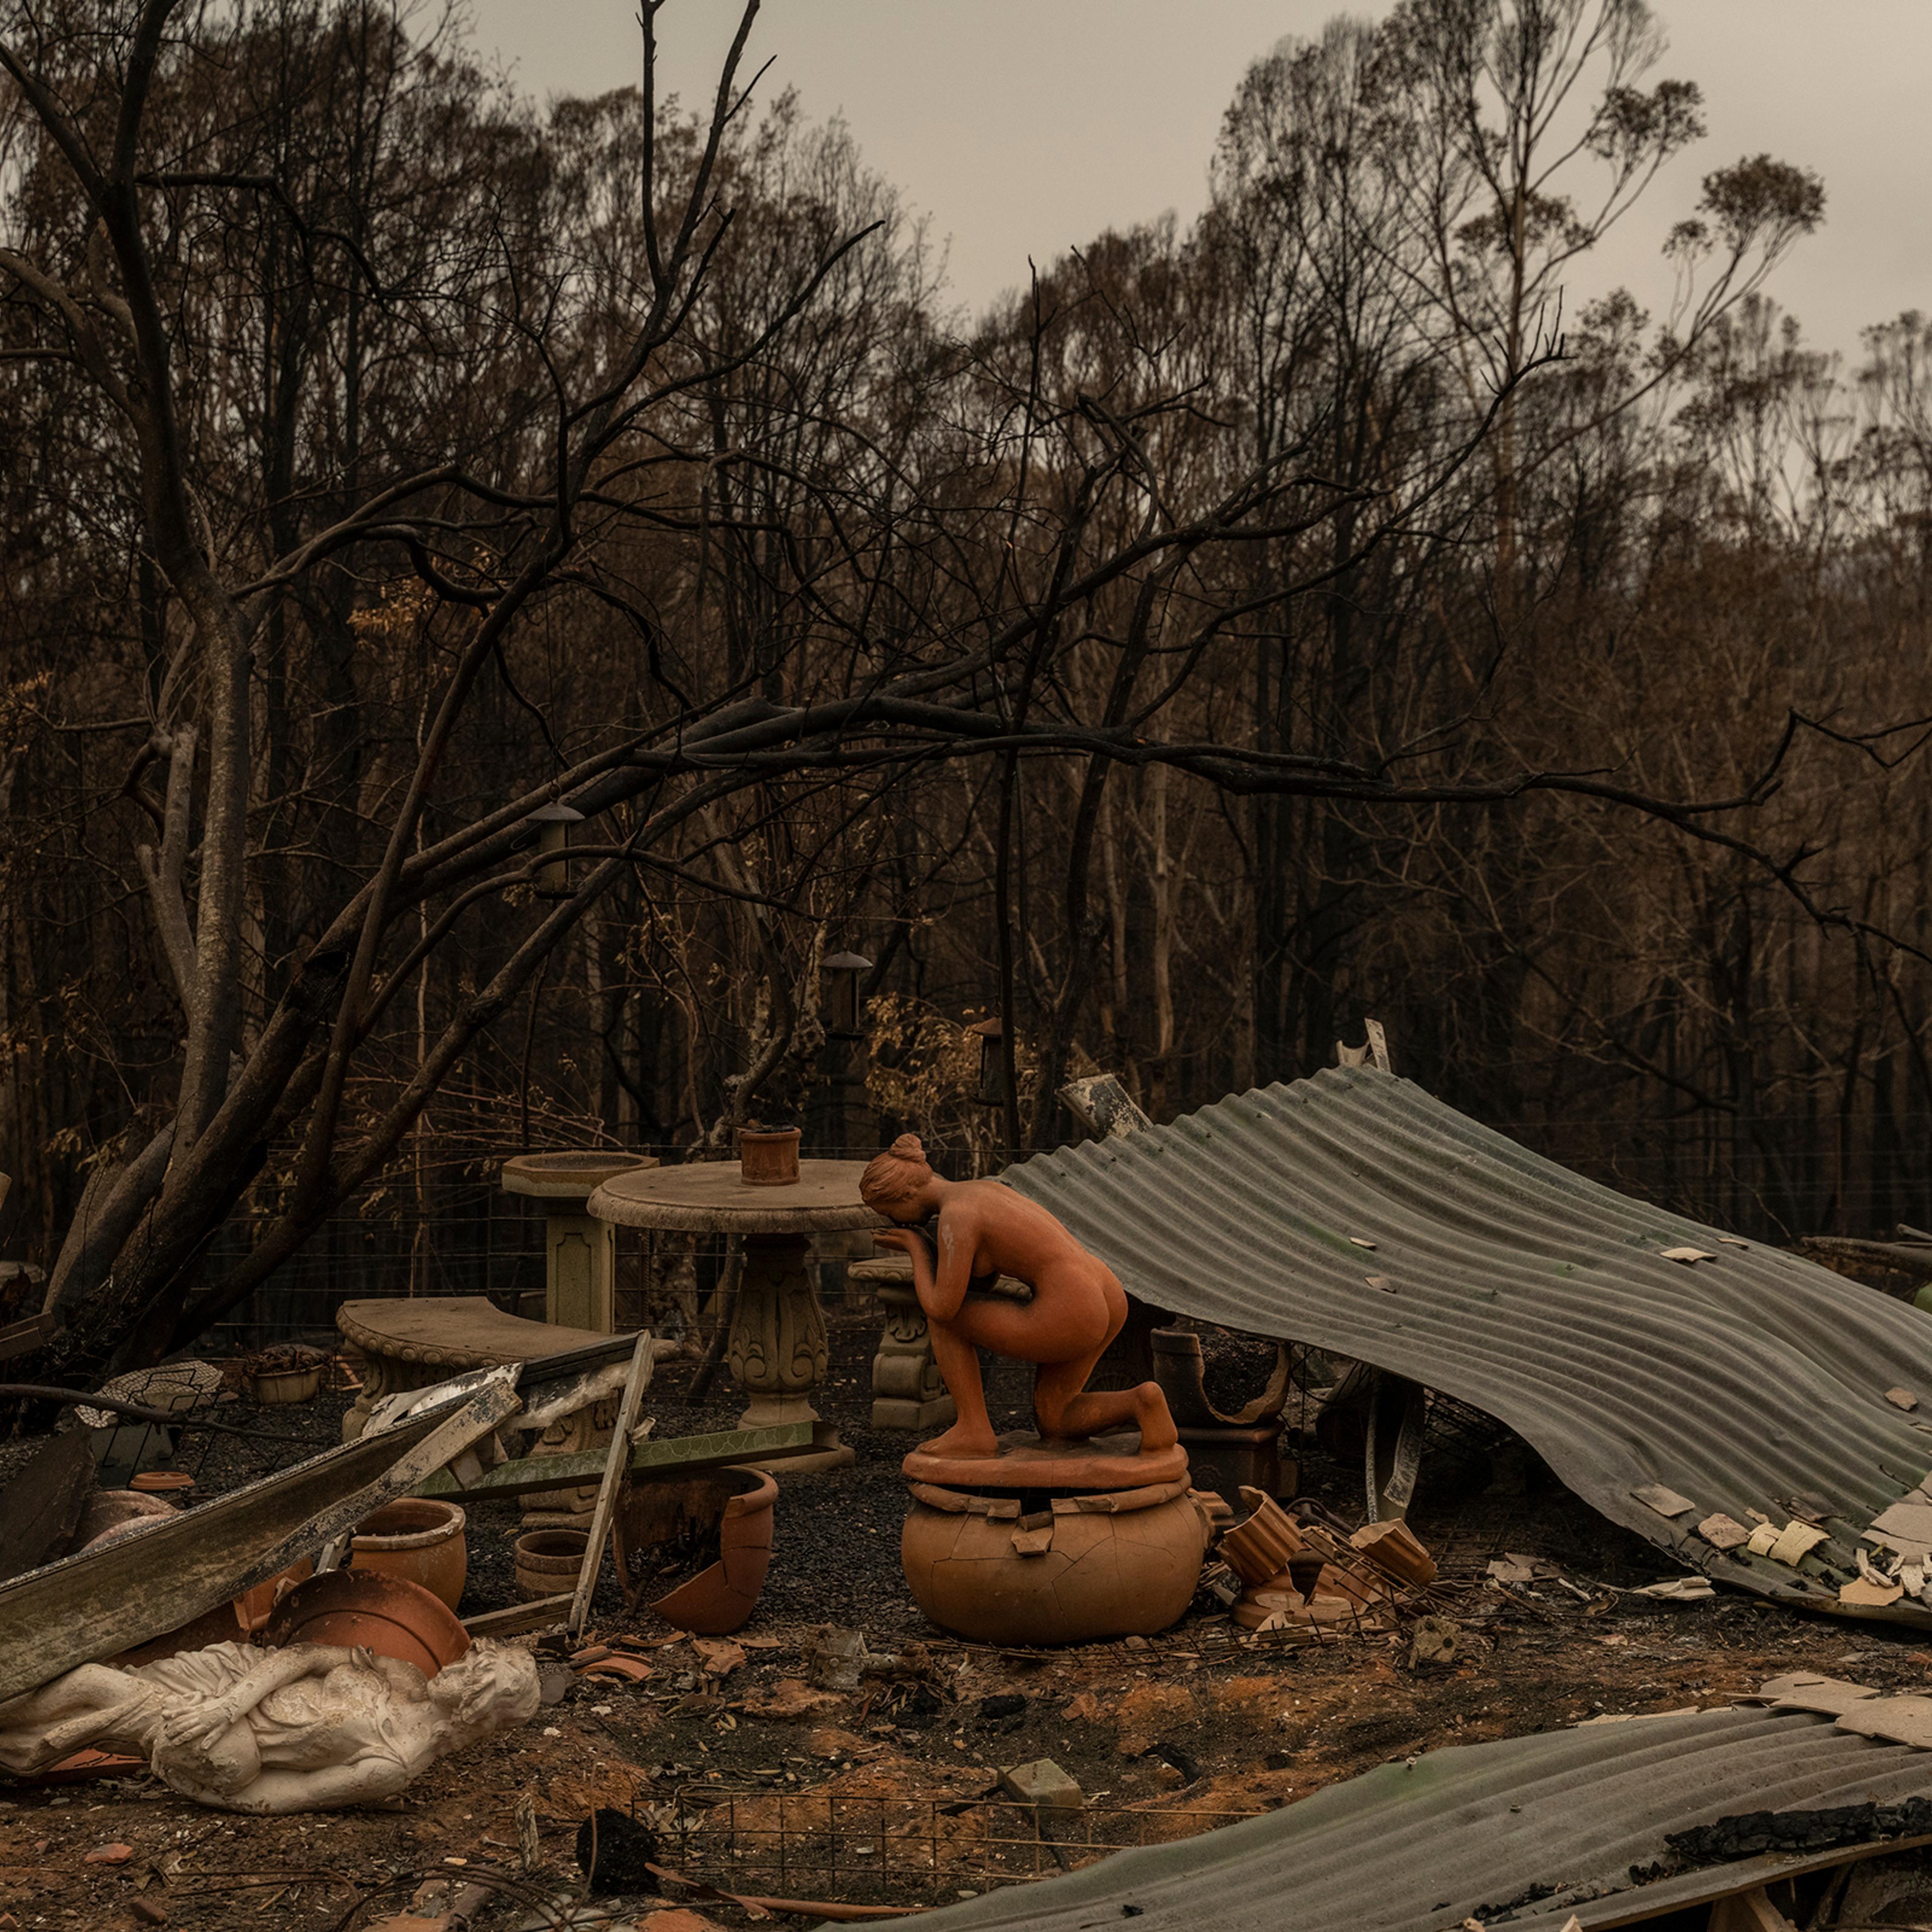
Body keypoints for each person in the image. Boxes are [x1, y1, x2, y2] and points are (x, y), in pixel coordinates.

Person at [860, 1134, 1177, 1460]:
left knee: (945, 1324)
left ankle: (974, 1430)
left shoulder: (957, 1216)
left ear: (908, 1193)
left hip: (1071, 1306)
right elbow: (979, 1283)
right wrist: (928, 1247)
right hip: (1106, 1292)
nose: (897, 1221)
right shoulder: (980, 1190)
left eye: (892, 1211)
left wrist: (914, 1248)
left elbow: (943, 1308)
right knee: (1056, 1418)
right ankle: (1143, 1401)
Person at [0, 1638, 538, 1813]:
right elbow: (303, 1655)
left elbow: (287, 1794)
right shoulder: (403, 1675)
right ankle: (20, 1735)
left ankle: (16, 1738)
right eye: (471, 1660)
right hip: (243, 1682)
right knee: (107, 1689)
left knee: (94, 1684)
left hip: (230, 1747)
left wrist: (194, 1784)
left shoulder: (392, 1767)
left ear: (478, 1708)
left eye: (473, 1674)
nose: (458, 1664)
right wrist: (227, 1704)